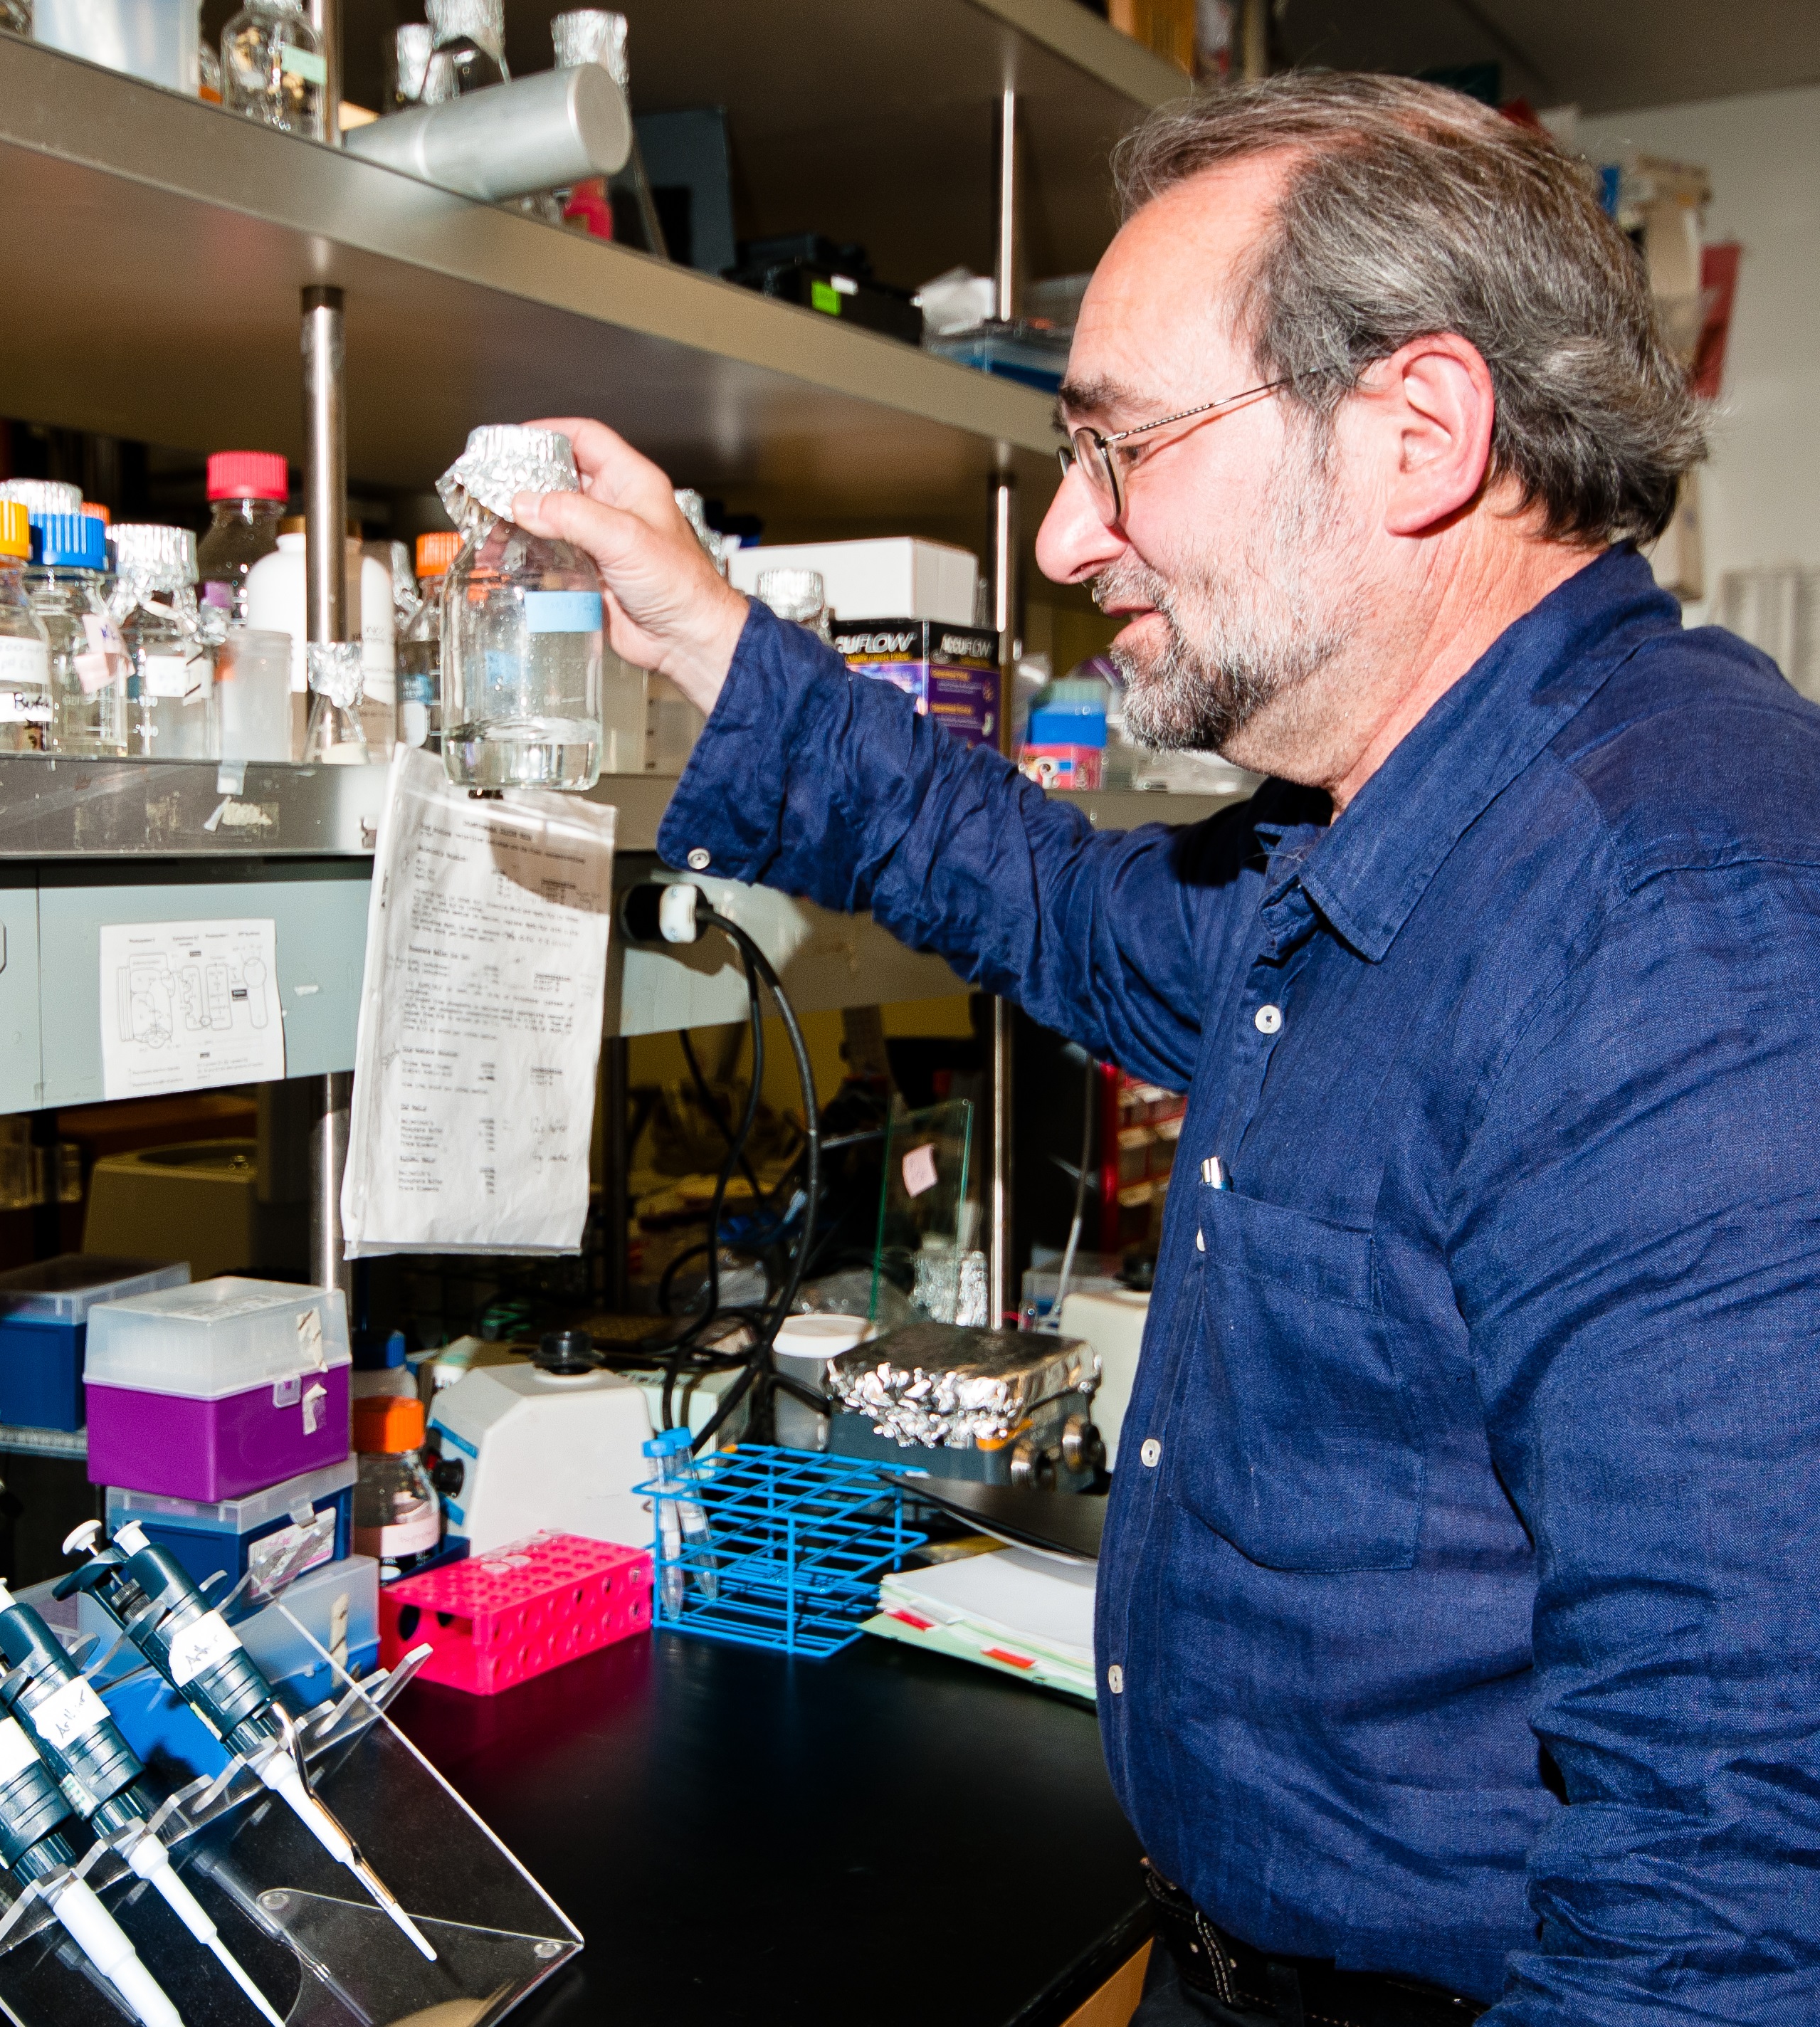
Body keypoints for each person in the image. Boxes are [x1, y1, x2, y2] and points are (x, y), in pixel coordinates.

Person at [510, 72, 1820, 2027]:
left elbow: (1728, 1880)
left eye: (1121, 449)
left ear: (1420, 434)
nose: (1067, 542)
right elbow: (1045, 899)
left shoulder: (1669, 921)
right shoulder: (1389, 830)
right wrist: (712, 635)